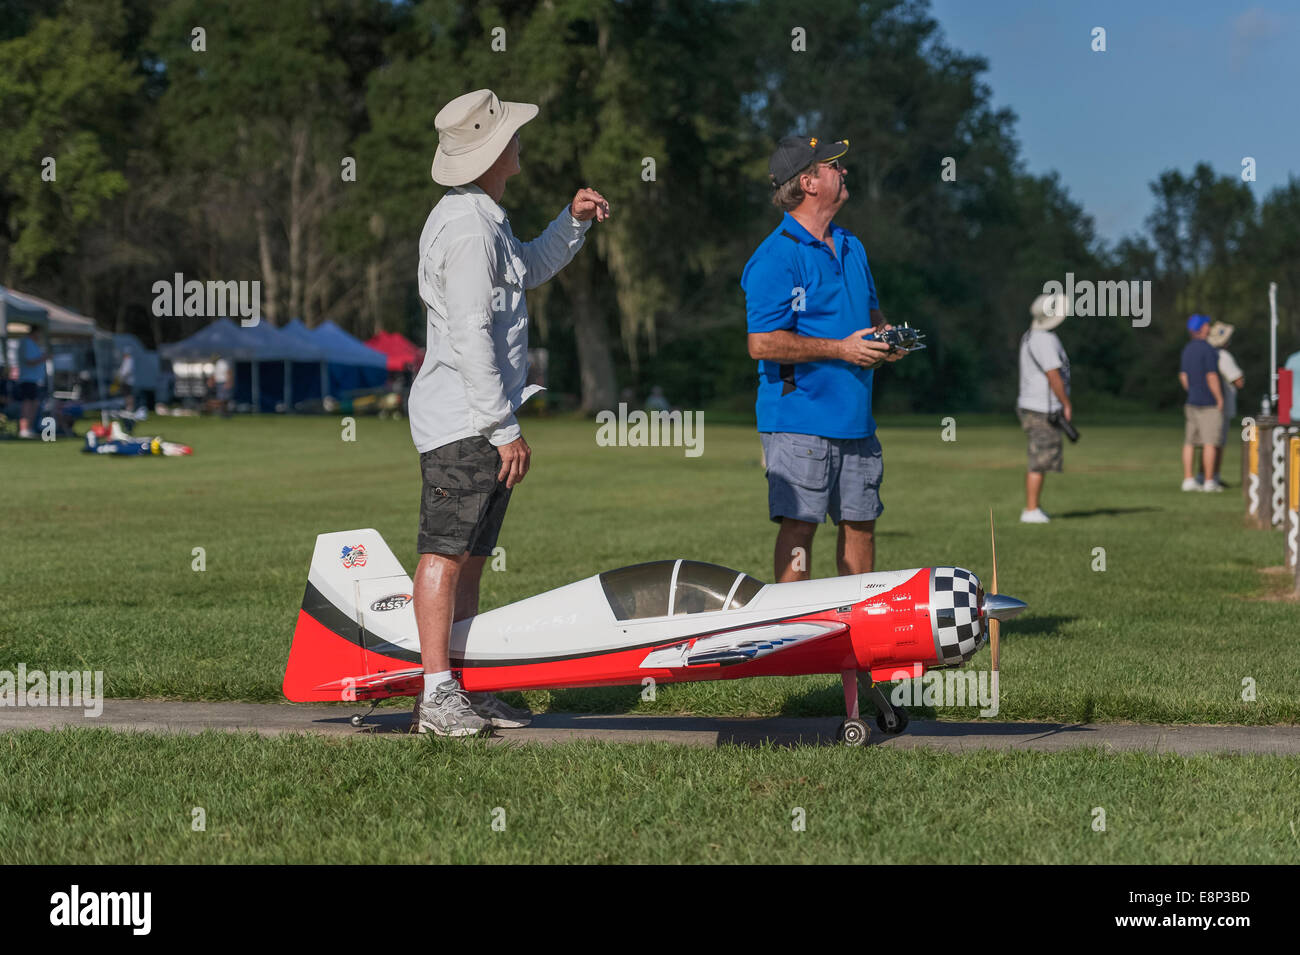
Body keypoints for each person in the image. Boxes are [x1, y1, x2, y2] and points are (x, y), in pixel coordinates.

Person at [409, 88, 609, 736]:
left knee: (468, 556)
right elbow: (469, 334)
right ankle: (437, 693)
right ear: (495, 151)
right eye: (513, 135)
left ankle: (464, 686)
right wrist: (503, 429)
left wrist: (571, 220)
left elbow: (527, 267)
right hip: (466, 422)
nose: (521, 143)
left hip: (476, 421)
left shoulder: (482, 218)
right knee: (445, 552)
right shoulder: (468, 228)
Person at [741, 134, 905, 583]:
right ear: (809, 182)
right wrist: (843, 349)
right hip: (799, 418)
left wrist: (888, 340)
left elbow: (871, 315)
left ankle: (854, 632)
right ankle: (793, 635)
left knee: (862, 525)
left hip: (855, 416)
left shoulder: (852, 245)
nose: (843, 170)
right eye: (833, 165)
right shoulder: (775, 256)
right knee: (799, 527)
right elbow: (762, 343)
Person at [1016, 293, 1072, 523]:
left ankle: (1034, 507)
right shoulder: (1045, 340)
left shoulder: (1031, 336)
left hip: (1033, 405)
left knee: (1041, 456)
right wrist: (1066, 402)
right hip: (1041, 407)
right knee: (1039, 458)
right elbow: (1053, 375)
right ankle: (1030, 510)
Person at [1180, 313, 1224, 492]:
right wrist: (1219, 398)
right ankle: (1208, 481)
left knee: (1190, 442)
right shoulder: (1208, 349)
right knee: (1209, 442)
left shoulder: (1187, 349)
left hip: (1191, 401)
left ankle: (1188, 479)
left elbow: (1183, 376)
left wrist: (1192, 391)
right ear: (1201, 328)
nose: (1209, 327)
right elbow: (1211, 376)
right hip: (1208, 403)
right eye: (1207, 324)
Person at [1204, 321, 1243, 487]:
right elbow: (1238, 380)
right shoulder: (1224, 356)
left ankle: (1205, 475)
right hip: (1221, 404)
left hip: (1207, 403)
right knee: (1217, 442)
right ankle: (1212, 477)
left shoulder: (1207, 353)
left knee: (1209, 442)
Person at [16, 333, 47, 439]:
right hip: (27, 380)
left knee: (34, 404)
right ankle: (24, 429)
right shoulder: (26, 343)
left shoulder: (32, 344)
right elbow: (29, 361)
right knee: (28, 404)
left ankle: (29, 428)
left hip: (34, 380)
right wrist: (43, 358)